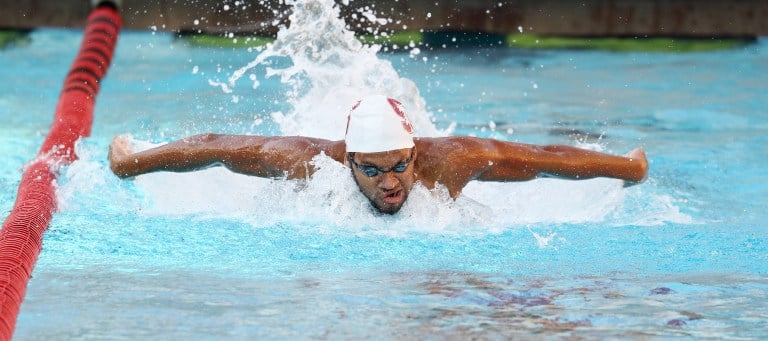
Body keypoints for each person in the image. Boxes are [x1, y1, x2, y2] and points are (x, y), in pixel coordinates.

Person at [109, 95, 648, 214]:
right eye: (373, 171)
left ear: (413, 153)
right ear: (348, 164)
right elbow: (215, 149)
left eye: (400, 166)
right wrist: (128, 162)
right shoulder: (308, 162)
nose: (391, 183)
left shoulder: (449, 162)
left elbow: (543, 157)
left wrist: (630, 167)